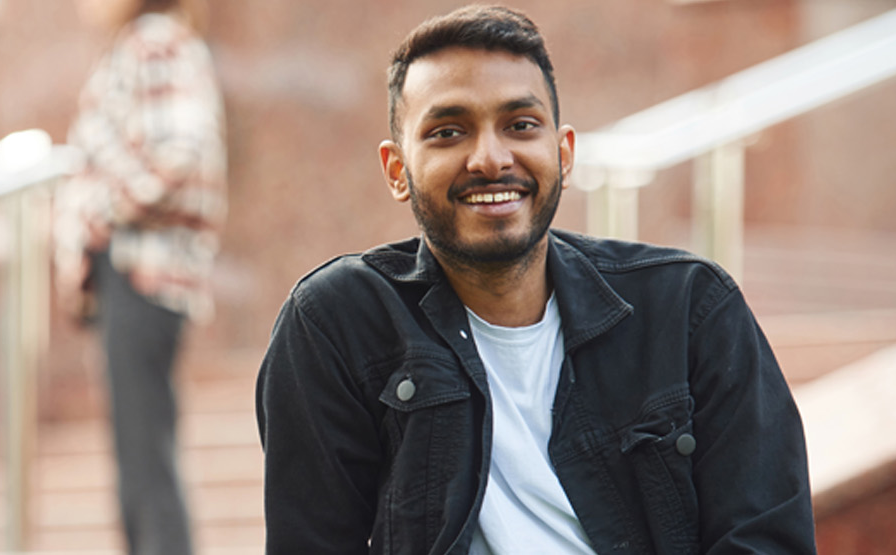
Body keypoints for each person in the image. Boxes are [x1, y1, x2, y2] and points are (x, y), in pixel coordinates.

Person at [254, 5, 815, 554]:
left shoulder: (690, 309)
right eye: (448, 132)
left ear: (563, 154)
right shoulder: (337, 323)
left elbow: (765, 537)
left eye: (520, 125)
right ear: (398, 171)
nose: (490, 158)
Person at [54, 0, 227, 553]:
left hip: (141, 270)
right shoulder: (152, 41)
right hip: (137, 271)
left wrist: (96, 213)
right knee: (141, 457)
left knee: (145, 461)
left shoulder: (152, 41)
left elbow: (177, 155)